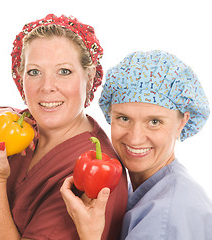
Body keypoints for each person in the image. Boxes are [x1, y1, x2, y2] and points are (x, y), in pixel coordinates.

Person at [0, 14, 128, 240]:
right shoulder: (20, 124)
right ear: (20, 77)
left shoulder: (95, 175)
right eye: (34, 72)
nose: (47, 87)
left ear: (89, 78)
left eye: (64, 71)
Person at [60, 50, 212, 239]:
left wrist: (89, 235)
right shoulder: (143, 188)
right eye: (124, 118)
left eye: (154, 122)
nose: (135, 138)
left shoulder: (170, 213)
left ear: (182, 122)